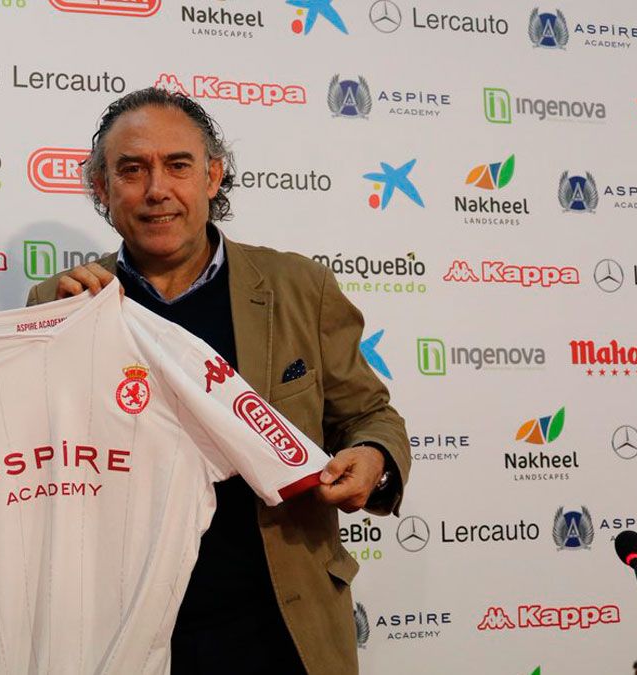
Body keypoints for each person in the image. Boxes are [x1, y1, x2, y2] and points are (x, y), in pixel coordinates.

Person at [26, 87, 411, 675]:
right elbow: (28, 460)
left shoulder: (299, 288)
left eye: (178, 166)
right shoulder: (59, 303)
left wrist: (373, 455)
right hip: (124, 630)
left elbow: (370, 416)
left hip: (281, 622)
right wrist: (57, 339)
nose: (157, 190)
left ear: (212, 176)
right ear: (102, 189)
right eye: (132, 170)